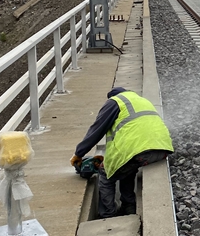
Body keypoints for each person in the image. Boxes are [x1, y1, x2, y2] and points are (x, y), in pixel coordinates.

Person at [70, 87, 173, 218]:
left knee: (106, 175)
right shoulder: (141, 100)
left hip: (138, 150)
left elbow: (96, 130)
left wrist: (79, 153)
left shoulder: (114, 101)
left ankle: (108, 214)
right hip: (162, 148)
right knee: (128, 169)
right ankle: (129, 207)